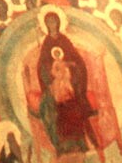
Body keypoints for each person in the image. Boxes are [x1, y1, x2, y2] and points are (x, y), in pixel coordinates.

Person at [35, 11, 100, 157]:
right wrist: (51, 77)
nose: (52, 24)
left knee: (74, 110)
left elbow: (77, 60)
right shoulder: (46, 43)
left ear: (58, 23)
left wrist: (70, 69)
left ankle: (80, 143)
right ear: (46, 25)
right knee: (57, 113)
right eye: (49, 22)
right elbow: (42, 65)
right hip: (55, 86)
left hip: (70, 84)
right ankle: (64, 146)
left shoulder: (64, 40)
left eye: (54, 21)